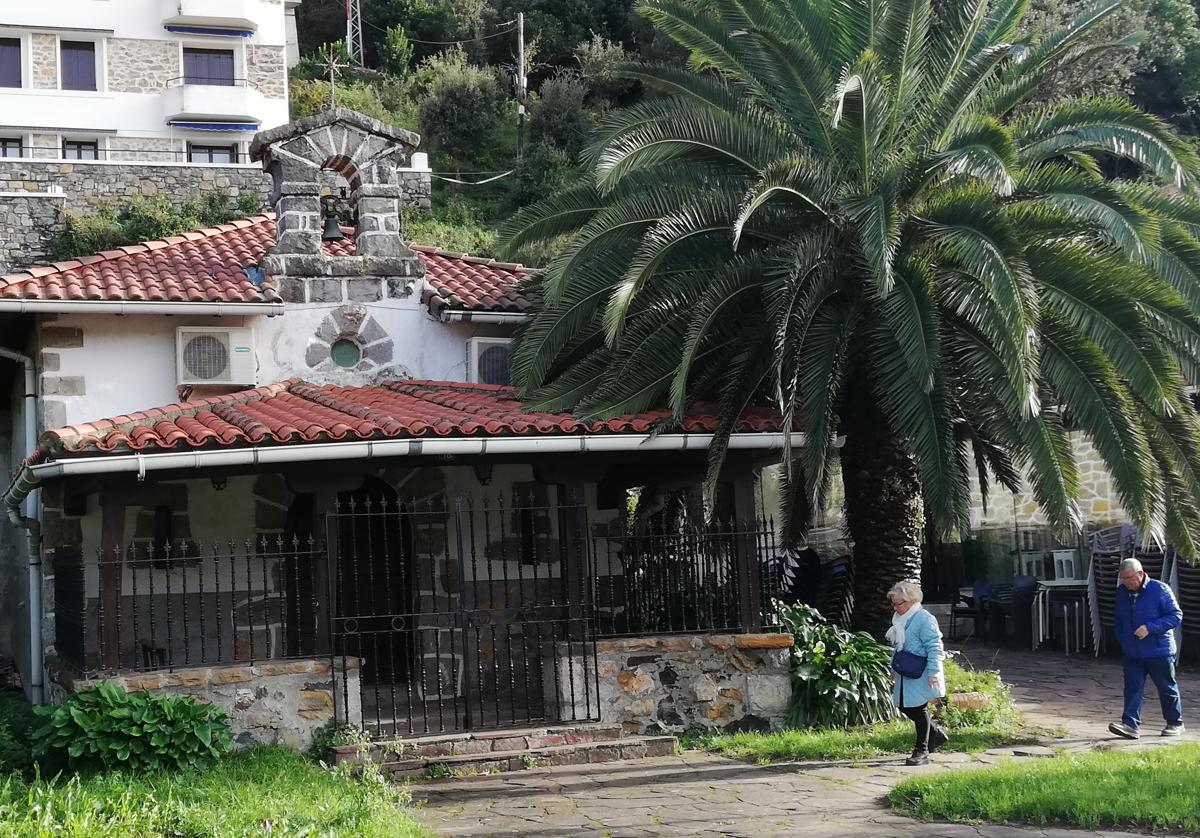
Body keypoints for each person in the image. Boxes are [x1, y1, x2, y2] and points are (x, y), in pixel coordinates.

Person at [1108, 558, 1185, 739]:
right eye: (1123, 579)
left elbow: (1176, 616)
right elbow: (1119, 619)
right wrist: (1123, 639)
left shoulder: (1159, 589)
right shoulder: (1121, 593)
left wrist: (1150, 628)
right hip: (1132, 651)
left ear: (1140, 574)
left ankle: (1175, 723)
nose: (1126, 583)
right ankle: (1130, 725)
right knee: (1132, 687)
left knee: (1166, 687)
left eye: (1129, 578)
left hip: (1159, 650)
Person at [886, 581, 948, 765]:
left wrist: (934, 672)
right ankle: (935, 735)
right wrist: (893, 668)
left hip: (922, 671)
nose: (895, 607)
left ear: (912, 601)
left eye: (899, 603)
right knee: (904, 706)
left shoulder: (924, 619)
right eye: (893, 604)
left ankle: (922, 751)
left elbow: (935, 646)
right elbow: (898, 646)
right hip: (905, 669)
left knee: (919, 709)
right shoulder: (899, 619)